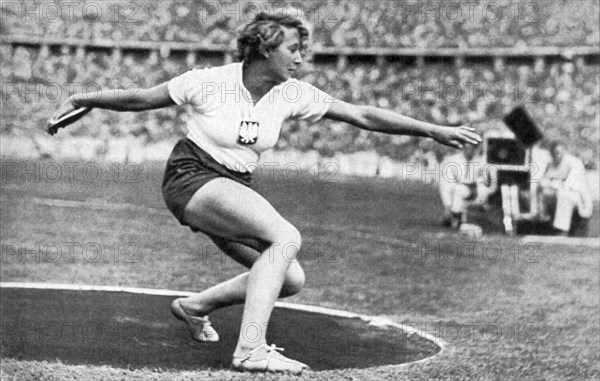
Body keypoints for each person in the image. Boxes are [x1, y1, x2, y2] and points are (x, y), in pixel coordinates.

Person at [47, 13, 481, 374]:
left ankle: (195, 306)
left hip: (234, 185)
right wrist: (83, 96)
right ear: (264, 48)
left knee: (290, 279)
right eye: (294, 48)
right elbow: (142, 99)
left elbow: (361, 114)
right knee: (286, 237)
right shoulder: (209, 81)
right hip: (191, 177)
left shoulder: (290, 93)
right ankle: (251, 349)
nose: (302, 57)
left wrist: (432, 130)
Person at [539, 141, 592, 236]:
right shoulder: (550, 164)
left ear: (564, 151)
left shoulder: (574, 162)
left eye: (559, 152)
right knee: (545, 193)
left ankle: (562, 229)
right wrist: (552, 184)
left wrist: (557, 184)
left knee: (565, 195)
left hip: (576, 194)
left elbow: (574, 183)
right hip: (555, 192)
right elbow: (543, 181)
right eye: (554, 153)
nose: (557, 155)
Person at [438, 144, 496, 229]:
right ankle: (454, 216)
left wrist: (481, 192)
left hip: (475, 189)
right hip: (457, 189)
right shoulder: (452, 161)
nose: (472, 150)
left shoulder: (481, 161)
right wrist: (447, 205)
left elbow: (484, 181)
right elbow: (445, 184)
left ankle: (456, 218)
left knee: (476, 191)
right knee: (458, 190)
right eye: (469, 147)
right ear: (464, 147)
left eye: (474, 148)